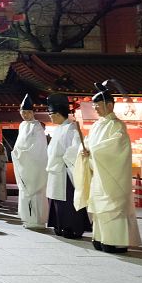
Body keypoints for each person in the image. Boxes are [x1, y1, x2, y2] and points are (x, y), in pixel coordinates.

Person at [76, 81, 142, 253]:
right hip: (99, 174)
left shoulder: (117, 125)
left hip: (112, 175)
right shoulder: (97, 125)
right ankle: (100, 237)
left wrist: (93, 150)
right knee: (100, 207)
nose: (95, 109)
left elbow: (116, 147)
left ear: (110, 105)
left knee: (113, 207)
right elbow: (88, 143)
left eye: (98, 105)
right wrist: (83, 150)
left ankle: (116, 241)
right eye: (94, 106)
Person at [43, 94, 90, 239]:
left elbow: (75, 148)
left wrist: (64, 159)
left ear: (57, 114)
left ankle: (72, 227)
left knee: (67, 200)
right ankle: (59, 224)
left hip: (64, 170)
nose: (50, 117)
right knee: (57, 200)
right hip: (55, 169)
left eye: (51, 114)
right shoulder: (59, 129)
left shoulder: (70, 128)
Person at [11, 95, 49, 229]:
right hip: (24, 164)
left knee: (36, 191)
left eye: (28, 112)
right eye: (23, 112)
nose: (25, 115)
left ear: (33, 113)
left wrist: (22, 153)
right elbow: (19, 143)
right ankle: (27, 218)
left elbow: (38, 147)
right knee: (25, 191)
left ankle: (37, 220)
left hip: (34, 164)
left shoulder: (37, 126)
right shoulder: (22, 125)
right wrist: (17, 152)